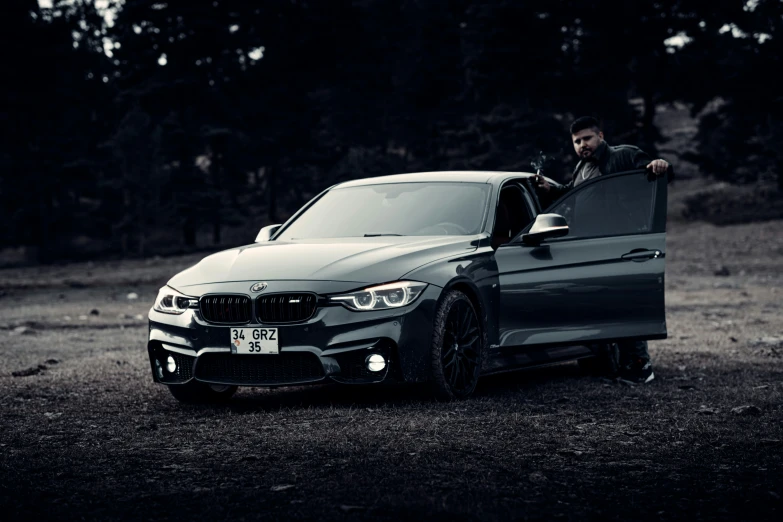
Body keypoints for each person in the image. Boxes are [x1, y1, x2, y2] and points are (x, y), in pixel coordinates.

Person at [535, 116, 673, 384]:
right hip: (591, 245)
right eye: (577, 141)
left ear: (600, 135)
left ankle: (640, 367)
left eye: (587, 138)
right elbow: (575, 195)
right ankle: (606, 363)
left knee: (625, 304)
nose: (582, 145)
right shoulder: (581, 167)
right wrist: (551, 190)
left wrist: (660, 166)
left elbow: (653, 173)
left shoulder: (622, 155)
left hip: (620, 243)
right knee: (601, 304)